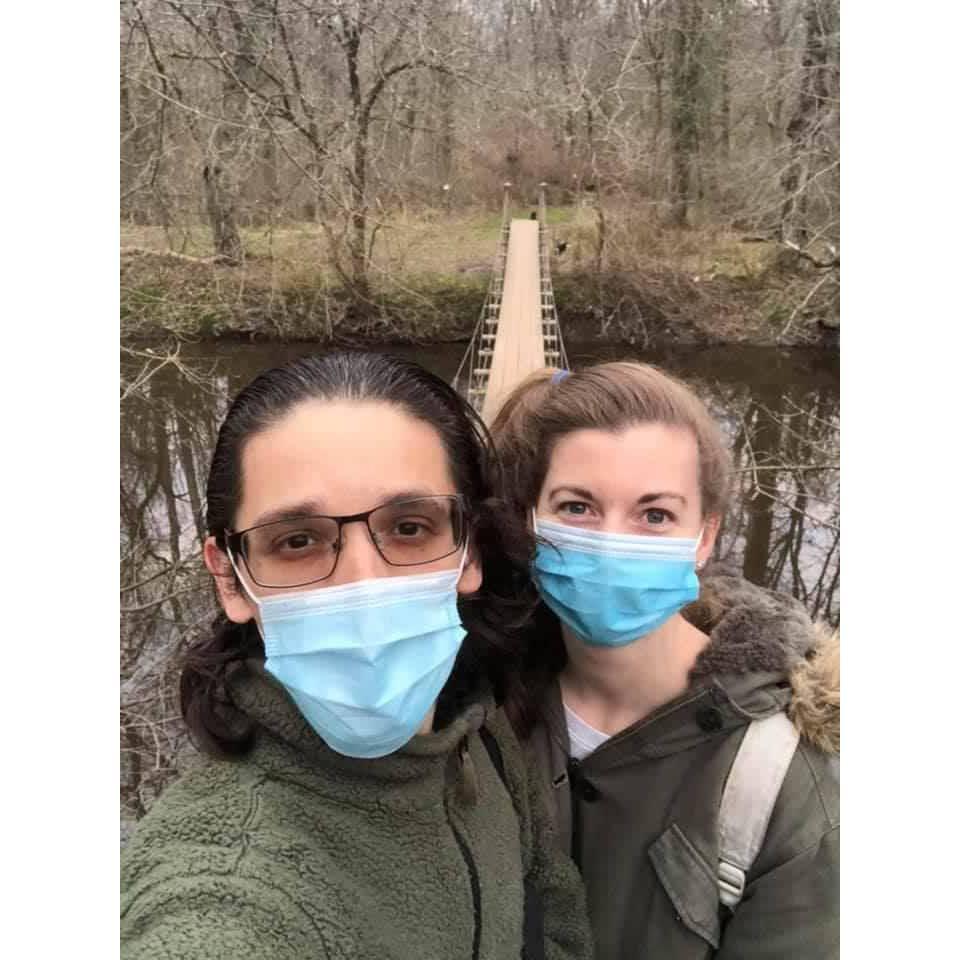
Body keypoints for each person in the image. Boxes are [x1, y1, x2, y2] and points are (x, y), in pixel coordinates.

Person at [121, 351, 593, 960]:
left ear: (469, 551)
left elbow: (552, 910)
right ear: (231, 578)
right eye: (298, 541)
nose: (363, 582)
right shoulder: (229, 893)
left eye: (410, 526)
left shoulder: (477, 727)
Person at [489, 362, 839, 960]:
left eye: (654, 516)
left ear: (704, 536)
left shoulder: (788, 782)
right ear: (530, 520)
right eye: (577, 507)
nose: (610, 541)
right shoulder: (483, 706)